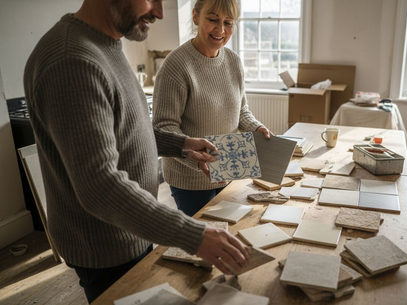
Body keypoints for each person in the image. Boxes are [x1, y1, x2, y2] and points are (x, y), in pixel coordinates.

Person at [23, 0, 249, 302]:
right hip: (105, 244)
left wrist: (181, 145)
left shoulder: (106, 45)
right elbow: (99, 186)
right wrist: (192, 235)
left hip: (132, 228)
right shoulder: (73, 61)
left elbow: (126, 130)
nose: (159, 12)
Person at [152, 0, 272, 217]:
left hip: (229, 170)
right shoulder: (176, 66)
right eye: (213, 19)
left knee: (230, 232)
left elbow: (242, 110)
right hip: (191, 180)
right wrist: (194, 156)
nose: (221, 30)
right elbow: (164, 127)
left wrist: (257, 128)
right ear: (196, 16)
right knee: (204, 241)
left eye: (228, 22)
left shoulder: (234, 61)